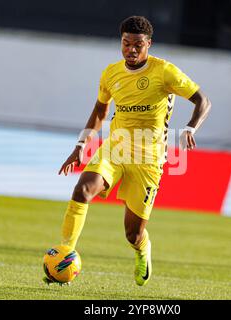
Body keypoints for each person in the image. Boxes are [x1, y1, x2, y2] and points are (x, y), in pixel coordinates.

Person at [57, 16, 211, 286]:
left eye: (137, 44)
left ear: (148, 44)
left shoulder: (164, 72)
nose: (131, 49)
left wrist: (191, 127)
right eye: (126, 43)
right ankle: (65, 252)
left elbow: (202, 100)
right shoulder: (111, 73)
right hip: (115, 149)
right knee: (83, 189)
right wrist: (81, 145)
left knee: (133, 233)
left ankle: (142, 250)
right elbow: (100, 111)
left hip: (149, 160)